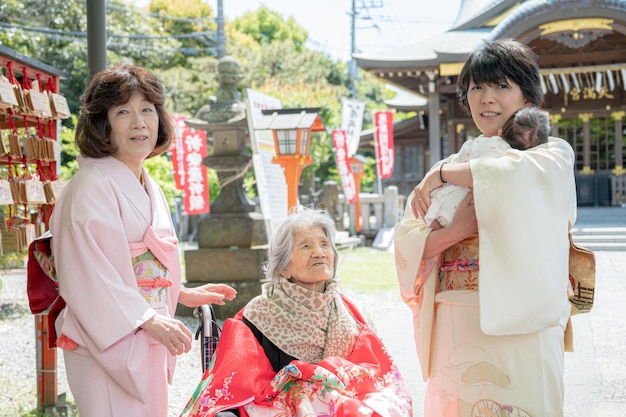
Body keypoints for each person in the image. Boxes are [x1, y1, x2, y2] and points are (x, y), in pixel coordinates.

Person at [394, 39, 577, 417]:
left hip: (526, 317)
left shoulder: (550, 154)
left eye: (501, 86)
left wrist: (443, 174)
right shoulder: (455, 161)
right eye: (477, 87)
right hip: (457, 313)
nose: (487, 98)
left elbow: (512, 176)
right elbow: (407, 239)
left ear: (527, 98)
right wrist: (454, 233)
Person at [49, 64, 237, 417]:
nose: (139, 123)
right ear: (103, 124)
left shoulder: (149, 185)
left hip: (145, 329)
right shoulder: (90, 184)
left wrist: (178, 293)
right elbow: (90, 273)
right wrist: (148, 317)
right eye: (123, 112)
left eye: (147, 110)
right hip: (106, 338)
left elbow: (143, 262)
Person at [180, 207, 413, 417]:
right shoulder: (260, 314)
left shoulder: (354, 313)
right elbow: (237, 383)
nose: (320, 252)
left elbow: (379, 376)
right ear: (284, 267)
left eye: (324, 244)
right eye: (306, 246)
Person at [424, 106, 550, 228]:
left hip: (443, 200)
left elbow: (461, 157)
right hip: (472, 211)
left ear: (500, 132)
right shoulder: (515, 160)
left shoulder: (482, 142)